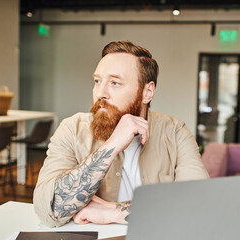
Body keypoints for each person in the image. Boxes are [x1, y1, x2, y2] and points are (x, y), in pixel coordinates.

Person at [33, 41, 209, 227]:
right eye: (97, 81)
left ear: (147, 92)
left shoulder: (175, 132)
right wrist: (112, 144)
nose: (100, 93)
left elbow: (198, 206)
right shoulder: (72, 129)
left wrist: (111, 211)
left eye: (115, 83)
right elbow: (49, 210)